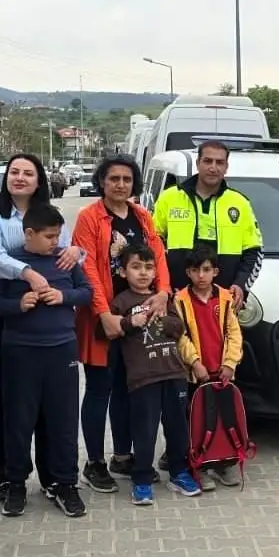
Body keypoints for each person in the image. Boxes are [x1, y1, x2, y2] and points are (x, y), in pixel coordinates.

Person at [0, 153, 83, 503]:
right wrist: (26, 274)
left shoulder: (52, 218)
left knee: (54, 411)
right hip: (13, 326)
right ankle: (9, 478)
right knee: (11, 409)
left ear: (40, 180)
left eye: (28, 173)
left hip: (55, 337)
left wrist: (75, 253)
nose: (20, 178)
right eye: (14, 172)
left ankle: (55, 477)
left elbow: (68, 257)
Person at [73, 156, 171, 492]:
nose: (120, 184)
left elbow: (158, 257)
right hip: (105, 318)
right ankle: (94, 463)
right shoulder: (89, 218)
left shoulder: (142, 216)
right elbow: (86, 268)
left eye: (127, 179)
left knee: (130, 390)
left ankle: (123, 456)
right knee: (100, 390)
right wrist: (103, 314)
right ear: (101, 181)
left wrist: (163, 293)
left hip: (140, 319)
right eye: (113, 178)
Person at [0, 203, 93, 518]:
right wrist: (18, 303)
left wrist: (65, 297)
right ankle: (16, 484)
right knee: (19, 421)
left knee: (62, 421)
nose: (55, 242)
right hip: (20, 351)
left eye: (58, 235)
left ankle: (65, 484)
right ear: (29, 234)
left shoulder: (65, 260)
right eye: (49, 236)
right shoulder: (11, 263)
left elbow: (87, 292)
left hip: (62, 350)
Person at [109, 243, 203, 505]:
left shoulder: (164, 298)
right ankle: (141, 479)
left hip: (173, 373)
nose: (143, 273)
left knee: (177, 428)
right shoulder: (121, 302)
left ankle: (179, 473)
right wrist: (131, 322)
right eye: (136, 267)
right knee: (144, 431)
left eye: (149, 267)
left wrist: (161, 317)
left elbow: (179, 327)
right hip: (142, 378)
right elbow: (106, 331)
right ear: (123, 271)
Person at [152, 139, 263, 302]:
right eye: (207, 161)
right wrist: (163, 286)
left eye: (219, 162)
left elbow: (254, 251)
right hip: (177, 299)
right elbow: (153, 244)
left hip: (224, 301)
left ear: (226, 167)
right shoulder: (170, 198)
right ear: (198, 163)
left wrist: (241, 285)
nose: (213, 167)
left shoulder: (240, 203)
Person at [173, 244, 244, 491]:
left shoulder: (225, 298)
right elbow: (180, 337)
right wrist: (194, 362)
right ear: (188, 273)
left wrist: (230, 363)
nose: (200, 276)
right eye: (195, 270)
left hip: (222, 373)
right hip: (196, 375)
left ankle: (225, 463)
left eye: (206, 270)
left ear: (216, 271)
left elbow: (234, 333)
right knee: (197, 421)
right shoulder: (180, 300)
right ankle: (199, 466)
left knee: (225, 418)